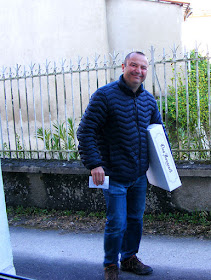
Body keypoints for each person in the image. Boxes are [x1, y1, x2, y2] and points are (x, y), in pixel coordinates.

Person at [77, 51, 167, 280]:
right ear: (124, 66)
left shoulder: (149, 100)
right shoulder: (104, 96)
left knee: (135, 220)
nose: (138, 70)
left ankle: (128, 258)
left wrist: (164, 164)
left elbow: (158, 132)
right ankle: (110, 265)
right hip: (113, 174)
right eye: (134, 65)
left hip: (138, 175)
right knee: (117, 222)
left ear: (147, 71)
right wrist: (94, 164)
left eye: (143, 67)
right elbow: (86, 131)